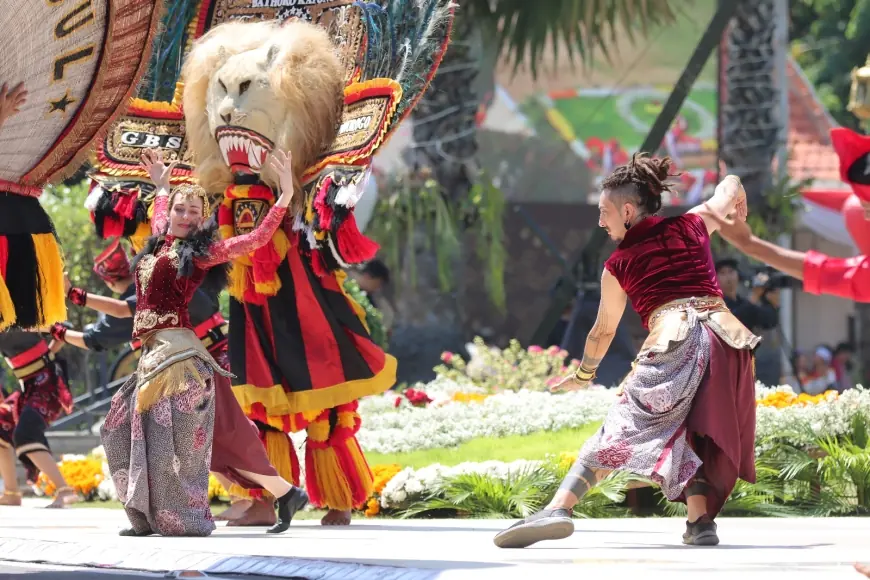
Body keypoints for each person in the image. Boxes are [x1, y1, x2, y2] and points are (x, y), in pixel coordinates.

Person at [494, 154, 759, 549]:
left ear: (629, 210)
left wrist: (584, 375)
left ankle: (559, 508)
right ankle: (700, 521)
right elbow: (727, 189)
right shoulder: (695, 222)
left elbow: (602, 332)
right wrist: (737, 191)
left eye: (605, 212)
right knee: (696, 429)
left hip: (677, 340)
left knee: (621, 425)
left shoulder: (618, 264)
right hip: (728, 342)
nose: (601, 221)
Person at [78, 150, 305, 537]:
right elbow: (161, 214)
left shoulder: (200, 254)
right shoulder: (160, 243)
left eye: (193, 212)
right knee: (128, 429)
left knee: (174, 439)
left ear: (202, 219)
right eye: (180, 210)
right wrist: (162, 187)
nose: (184, 217)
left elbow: (253, 239)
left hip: (180, 356)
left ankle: (178, 517)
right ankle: (283, 493)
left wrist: (283, 195)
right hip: (154, 355)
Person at [52, 239, 275, 525]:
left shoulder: (144, 292)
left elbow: (99, 335)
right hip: (218, 356)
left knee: (221, 433)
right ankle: (249, 498)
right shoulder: (172, 273)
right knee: (206, 435)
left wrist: (59, 322)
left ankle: (264, 498)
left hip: (210, 363)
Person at [0, 331, 76, 508]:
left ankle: (65, 491)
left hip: (47, 383)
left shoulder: (22, 314)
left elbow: (63, 328)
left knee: (26, 435)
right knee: (2, 424)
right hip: (28, 387)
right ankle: (11, 493)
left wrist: (47, 357)